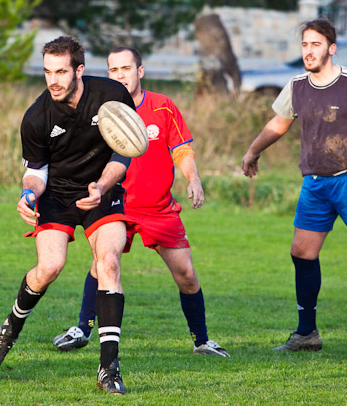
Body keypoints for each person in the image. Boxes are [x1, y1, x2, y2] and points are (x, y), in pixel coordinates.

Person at [52, 46, 229, 358]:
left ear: (140, 71)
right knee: (103, 264)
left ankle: (201, 341)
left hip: (158, 208)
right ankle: (82, 329)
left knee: (186, 274)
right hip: (115, 204)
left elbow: (182, 149)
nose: (120, 75)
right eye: (113, 70)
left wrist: (193, 179)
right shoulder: (99, 109)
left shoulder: (163, 107)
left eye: (126, 68)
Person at [0, 36, 133, 394]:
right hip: (57, 195)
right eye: (48, 72)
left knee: (109, 263)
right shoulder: (37, 117)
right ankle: (10, 327)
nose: (53, 80)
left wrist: (102, 186)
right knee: (50, 267)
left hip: (102, 189)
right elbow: (36, 171)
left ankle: (108, 368)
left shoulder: (111, 95)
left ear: (79, 70)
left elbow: (124, 151)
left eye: (61, 72)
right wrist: (28, 194)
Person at [242, 18, 347, 351]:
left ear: (332, 48)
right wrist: (253, 151)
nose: (308, 51)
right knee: (301, 252)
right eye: (304, 45)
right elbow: (279, 122)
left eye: (315, 44)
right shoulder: (297, 86)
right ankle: (307, 334)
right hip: (315, 183)